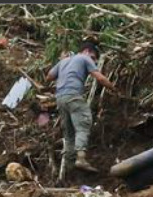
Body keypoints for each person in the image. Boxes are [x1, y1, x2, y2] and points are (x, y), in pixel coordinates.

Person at [47, 41, 116, 174]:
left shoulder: (64, 61)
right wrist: (113, 87)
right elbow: (99, 78)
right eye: (94, 58)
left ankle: (69, 165)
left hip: (60, 98)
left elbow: (49, 76)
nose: (94, 61)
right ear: (86, 51)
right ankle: (81, 158)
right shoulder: (84, 58)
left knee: (69, 132)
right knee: (83, 123)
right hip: (74, 96)